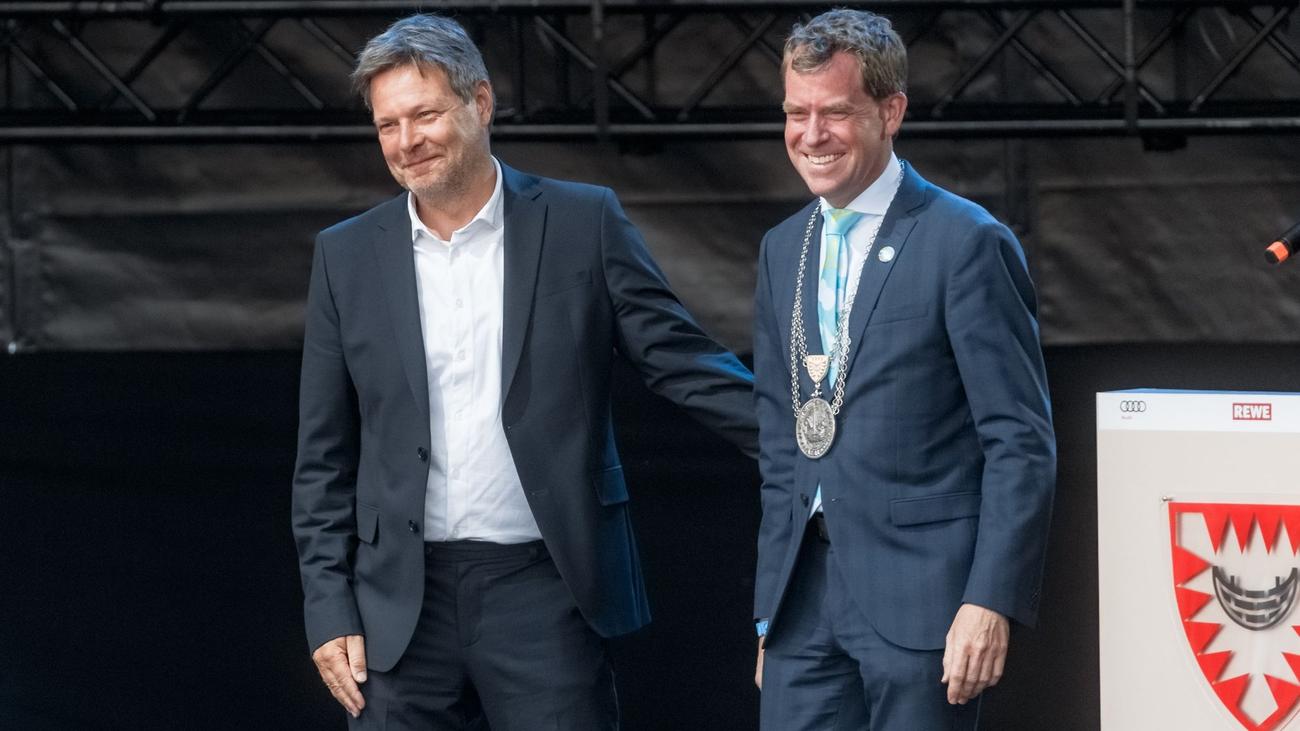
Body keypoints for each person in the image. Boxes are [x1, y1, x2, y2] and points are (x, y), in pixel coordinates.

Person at [290, 14, 757, 729]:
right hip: (397, 603)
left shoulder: (581, 221)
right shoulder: (345, 254)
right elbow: (322, 455)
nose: (407, 141)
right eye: (387, 124)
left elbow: (681, 360)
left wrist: (811, 441)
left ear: (481, 102)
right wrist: (328, 606)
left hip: (545, 586)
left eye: (424, 115)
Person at [750, 9, 1056, 729]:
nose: (811, 135)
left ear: (890, 112)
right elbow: (780, 445)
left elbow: (1020, 441)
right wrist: (770, 611)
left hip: (925, 604)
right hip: (802, 606)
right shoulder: (781, 248)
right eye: (796, 113)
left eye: (835, 112)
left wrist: (990, 599)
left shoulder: (966, 241)